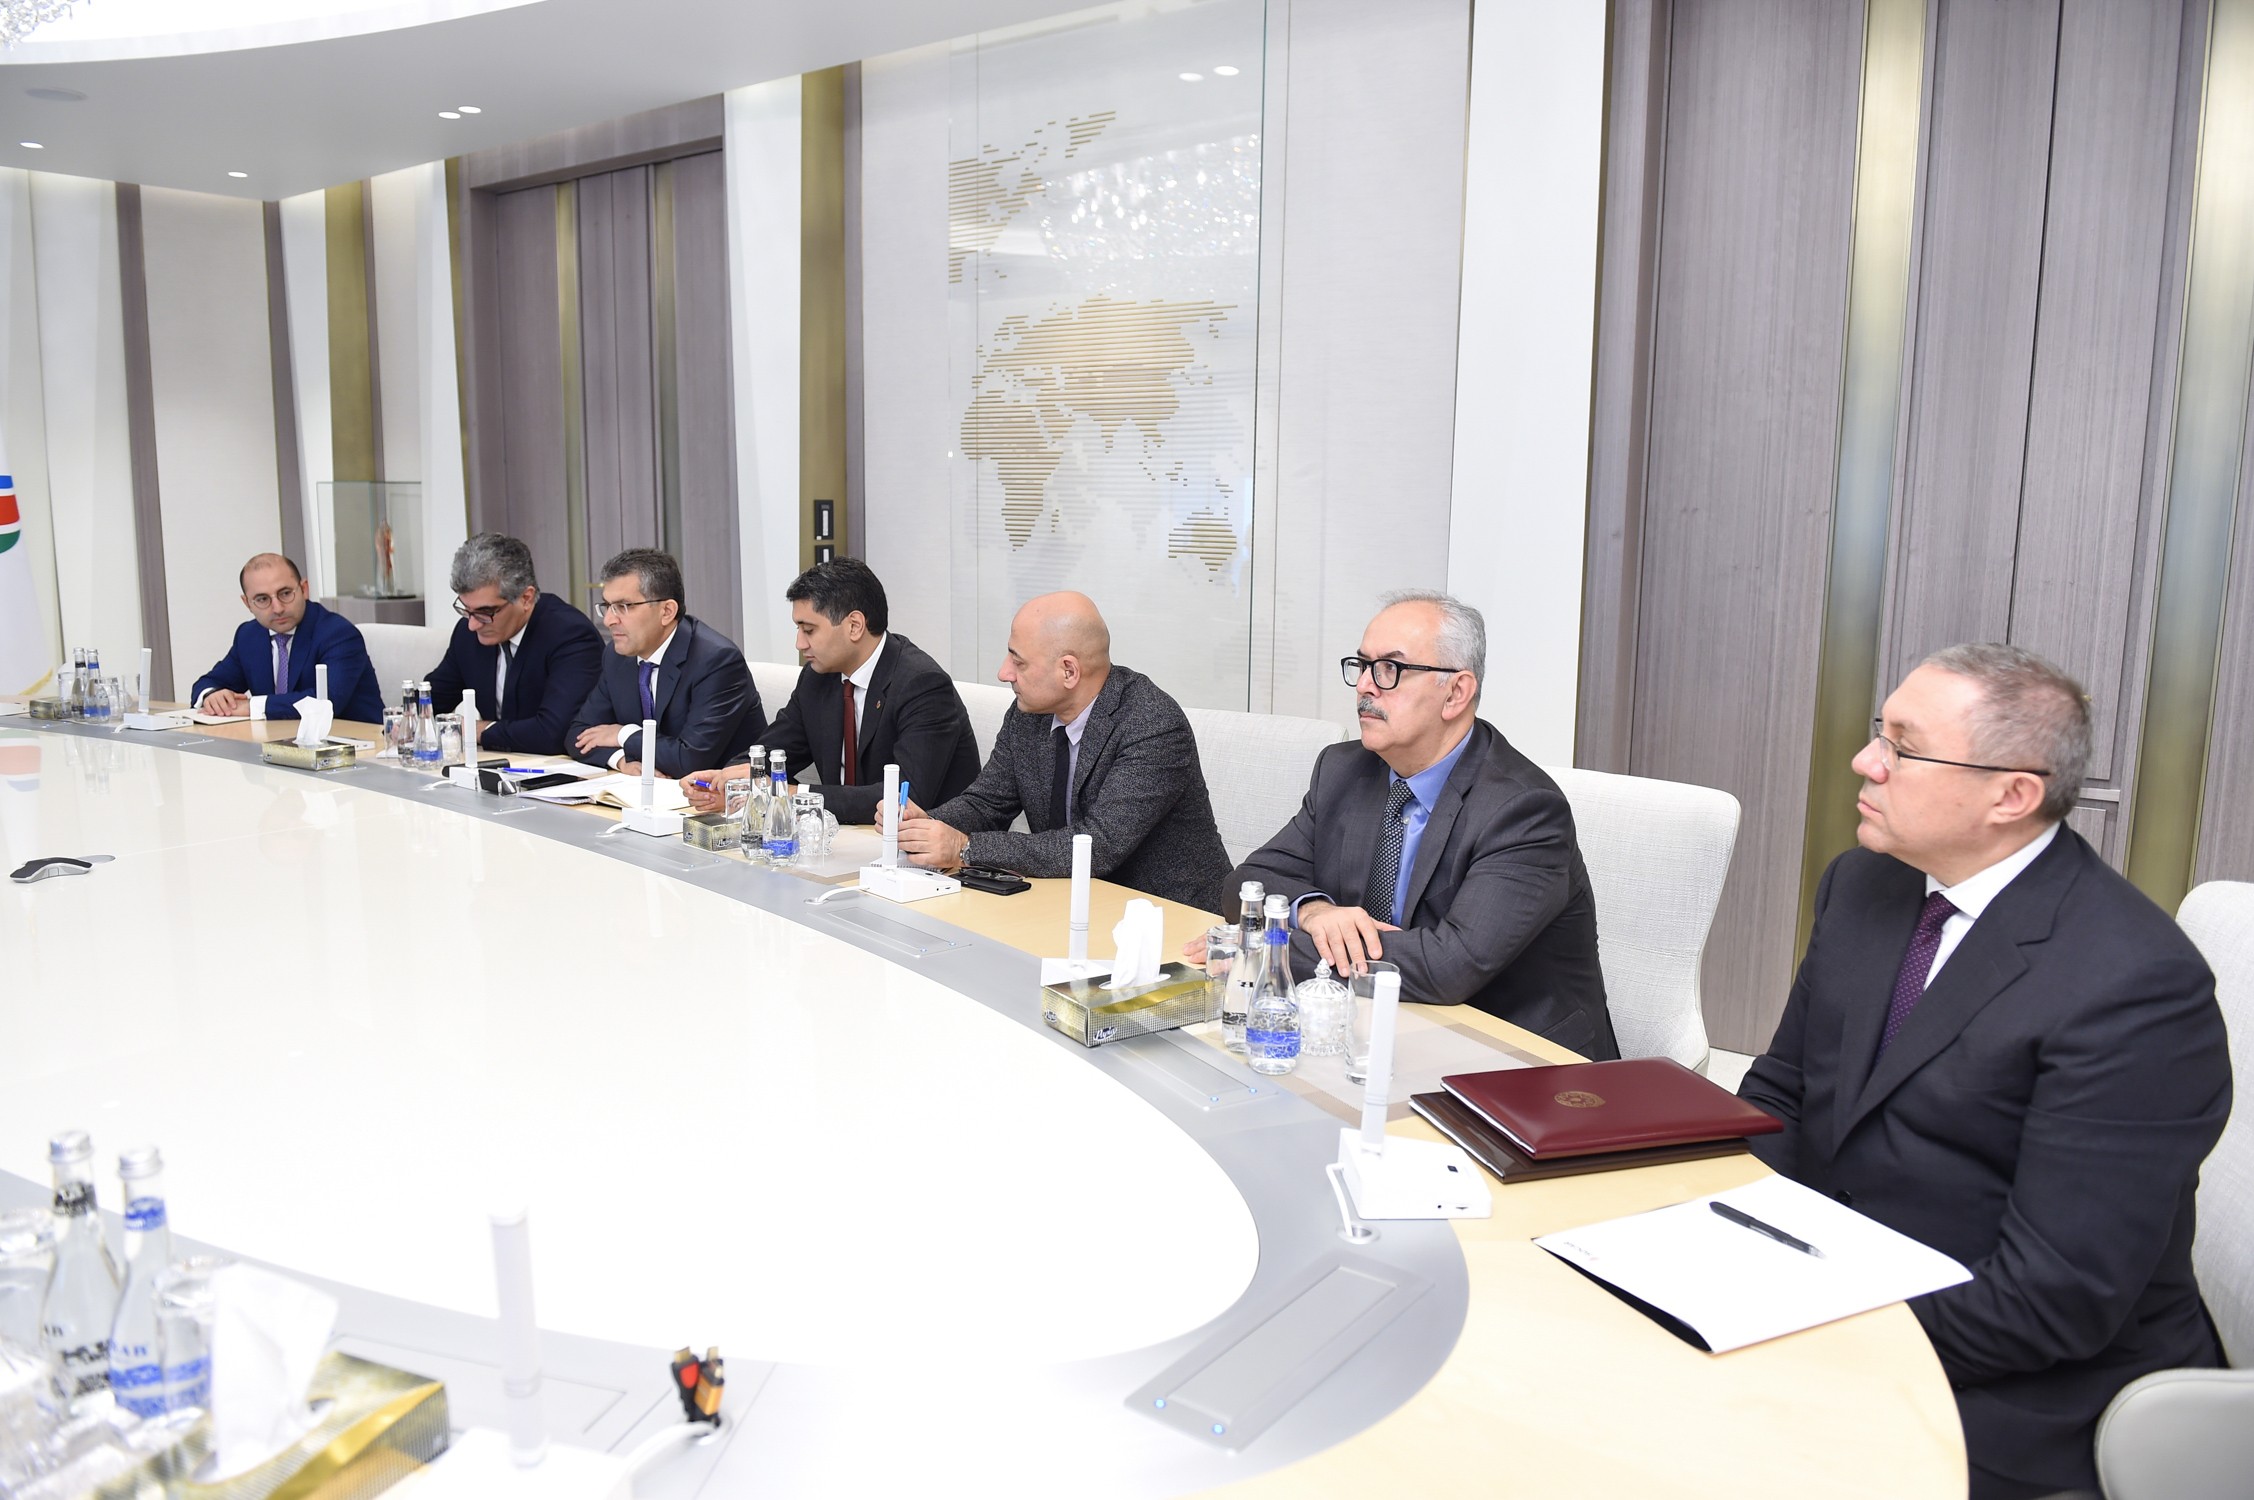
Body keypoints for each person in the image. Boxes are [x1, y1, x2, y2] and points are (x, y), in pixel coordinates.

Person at [1738, 644, 2231, 1500]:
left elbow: (2052, 1303)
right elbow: (1784, 1092)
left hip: (2024, 1382)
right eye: (1880, 733)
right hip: (1844, 1279)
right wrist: (1723, 1242)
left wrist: (1807, 1328)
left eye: (1903, 746)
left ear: (2012, 796)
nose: (1865, 762)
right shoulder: (1866, 883)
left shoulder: (2136, 985)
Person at [1219, 591, 1616, 1057]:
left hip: (1517, 1058)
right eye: (1362, 665)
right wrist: (1313, 912)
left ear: (1456, 693)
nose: (1364, 686)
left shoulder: (1524, 810)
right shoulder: (1345, 771)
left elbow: (1450, 966)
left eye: (1390, 669)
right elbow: (1246, 883)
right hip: (1384, 1032)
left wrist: (1264, 949)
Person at [894, 591, 1230, 910]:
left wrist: (965, 848)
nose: (1004, 673)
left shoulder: (1152, 723)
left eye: (1018, 662)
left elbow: (1098, 845)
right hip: (1070, 902)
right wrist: (926, 825)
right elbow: (987, 803)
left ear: (1069, 671)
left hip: (1167, 917)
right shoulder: (1028, 715)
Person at [679, 557, 976, 824]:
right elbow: (770, 753)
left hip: (925, 852)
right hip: (843, 840)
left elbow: (904, 797)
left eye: (809, 630)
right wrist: (728, 782)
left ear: (854, 626)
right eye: (798, 629)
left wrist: (789, 793)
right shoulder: (817, 678)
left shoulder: (922, 684)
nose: (799, 643)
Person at [566, 548, 764, 779]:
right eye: (607, 606)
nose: (609, 620)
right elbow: (578, 735)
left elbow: (689, 760)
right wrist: (620, 760)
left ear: (667, 611)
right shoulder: (617, 656)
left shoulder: (717, 661)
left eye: (623, 607)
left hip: (720, 793)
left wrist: (624, 735)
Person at [422, 533, 603, 755]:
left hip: (554, 768)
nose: (472, 624)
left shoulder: (570, 635)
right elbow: (432, 701)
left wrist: (479, 731)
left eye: (485, 612)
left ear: (526, 598)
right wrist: (409, 718)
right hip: (494, 763)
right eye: (466, 610)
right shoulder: (468, 633)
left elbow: (554, 733)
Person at [190, 553, 383, 723]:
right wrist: (213, 696)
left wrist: (252, 707)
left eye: (285, 594)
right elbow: (208, 683)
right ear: (247, 603)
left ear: (304, 589)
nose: (277, 608)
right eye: (262, 599)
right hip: (279, 742)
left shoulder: (338, 633)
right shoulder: (249, 635)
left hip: (354, 743)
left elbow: (327, 701)